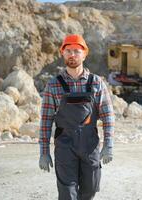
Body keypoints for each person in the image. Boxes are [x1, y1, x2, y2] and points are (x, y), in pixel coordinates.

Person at [38, 34, 115, 200]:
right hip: (65, 145)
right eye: (68, 51)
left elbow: (108, 117)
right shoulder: (53, 85)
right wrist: (44, 152)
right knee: (67, 194)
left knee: (91, 188)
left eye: (76, 51)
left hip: (90, 145)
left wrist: (109, 144)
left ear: (84, 54)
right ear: (63, 54)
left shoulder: (97, 83)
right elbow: (46, 121)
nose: (72, 54)